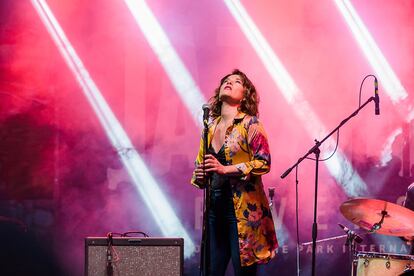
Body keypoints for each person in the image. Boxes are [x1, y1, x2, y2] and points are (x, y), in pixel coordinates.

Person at [191, 69, 278, 276]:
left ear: (245, 94)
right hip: (215, 209)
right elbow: (199, 167)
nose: (229, 83)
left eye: (236, 81)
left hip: (243, 211)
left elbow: (263, 162)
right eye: (226, 81)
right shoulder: (209, 129)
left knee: (243, 272)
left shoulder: (251, 124)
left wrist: (225, 169)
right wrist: (201, 175)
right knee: (211, 271)